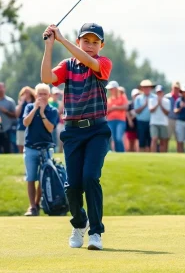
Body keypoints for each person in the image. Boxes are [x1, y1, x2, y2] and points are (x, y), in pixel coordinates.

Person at [41, 22, 112, 250]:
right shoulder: (68, 65)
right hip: (72, 132)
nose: (90, 46)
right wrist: (50, 46)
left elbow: (90, 61)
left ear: (101, 45)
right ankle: (79, 223)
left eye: (95, 42)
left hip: (97, 131)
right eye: (86, 41)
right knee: (72, 186)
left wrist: (62, 40)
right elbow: (46, 78)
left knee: (91, 178)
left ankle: (96, 233)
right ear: (79, 40)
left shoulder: (102, 63)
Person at [23, 83, 58, 216]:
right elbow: (25, 122)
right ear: (36, 95)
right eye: (40, 94)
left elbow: (50, 128)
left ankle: (37, 204)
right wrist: (35, 110)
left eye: (45, 94)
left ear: (49, 96)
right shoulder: (29, 107)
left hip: (46, 148)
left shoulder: (52, 111)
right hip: (30, 147)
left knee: (44, 178)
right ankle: (32, 206)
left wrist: (42, 113)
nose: (42, 96)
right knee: (31, 177)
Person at [134, 79, 156, 152]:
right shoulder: (138, 98)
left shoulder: (154, 97)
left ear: (150, 88)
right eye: (145, 87)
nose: (146, 89)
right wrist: (145, 105)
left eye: (148, 87)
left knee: (150, 141)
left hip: (152, 122)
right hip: (141, 122)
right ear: (142, 88)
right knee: (142, 141)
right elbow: (137, 111)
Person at [106, 81, 128, 152]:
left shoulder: (122, 97)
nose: (110, 90)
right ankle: (116, 152)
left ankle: (121, 152)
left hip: (120, 120)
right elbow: (106, 111)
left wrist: (115, 107)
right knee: (113, 138)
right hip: (110, 120)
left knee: (119, 137)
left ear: (116, 89)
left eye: (111, 89)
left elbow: (126, 107)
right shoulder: (109, 100)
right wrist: (112, 108)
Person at [148, 85, 170, 152]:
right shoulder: (151, 100)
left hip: (163, 123)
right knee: (154, 139)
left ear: (163, 92)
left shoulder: (167, 101)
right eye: (158, 92)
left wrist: (161, 104)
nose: (159, 93)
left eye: (160, 92)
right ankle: (153, 154)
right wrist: (158, 103)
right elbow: (151, 110)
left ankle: (162, 155)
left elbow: (167, 113)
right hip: (154, 123)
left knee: (163, 140)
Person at [16, 86, 35, 153]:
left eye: (27, 92)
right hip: (21, 126)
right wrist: (21, 103)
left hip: (31, 126)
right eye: (24, 93)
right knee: (21, 145)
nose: (26, 94)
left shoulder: (34, 102)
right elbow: (17, 114)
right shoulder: (21, 103)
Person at [0, 82, 16, 153]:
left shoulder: (10, 101)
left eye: (1, 87)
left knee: (7, 150)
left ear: (4, 88)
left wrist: (5, 111)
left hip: (7, 129)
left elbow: (15, 116)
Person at [165, 81, 180, 148]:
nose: (176, 89)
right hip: (169, 119)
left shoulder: (181, 98)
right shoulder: (167, 97)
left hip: (178, 120)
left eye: (177, 88)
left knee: (179, 139)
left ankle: (180, 156)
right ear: (172, 88)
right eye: (175, 88)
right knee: (166, 138)